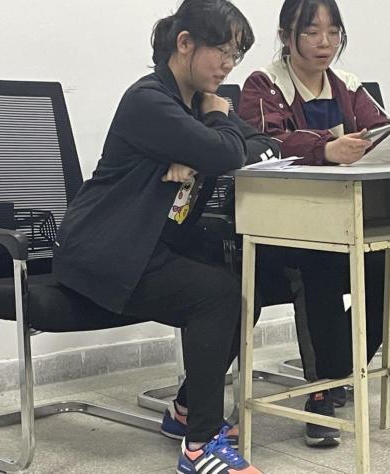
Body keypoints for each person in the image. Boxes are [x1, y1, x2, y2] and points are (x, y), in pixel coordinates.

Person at [53, 1, 278, 472]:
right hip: (105, 251)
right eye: (222, 51)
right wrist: (212, 136)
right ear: (185, 43)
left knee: (246, 289)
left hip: (150, 246)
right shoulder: (149, 101)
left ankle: (186, 411)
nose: (228, 65)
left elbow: (263, 145)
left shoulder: (196, 104)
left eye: (236, 55)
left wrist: (204, 144)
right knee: (219, 295)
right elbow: (227, 152)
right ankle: (201, 446)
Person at [238, 0, 390, 448]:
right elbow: (261, 143)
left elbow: (383, 132)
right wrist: (325, 149)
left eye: (333, 33)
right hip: (282, 228)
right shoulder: (264, 84)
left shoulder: (347, 85)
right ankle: (320, 396)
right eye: (312, 32)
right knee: (318, 276)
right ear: (286, 36)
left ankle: (335, 375)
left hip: (343, 225)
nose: (325, 43)